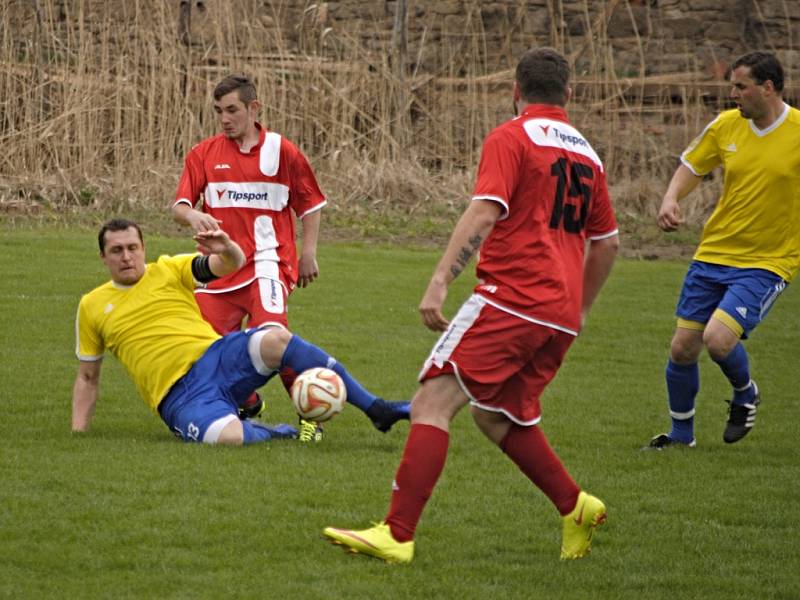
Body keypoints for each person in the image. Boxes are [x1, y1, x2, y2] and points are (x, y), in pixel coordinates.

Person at [322, 47, 620, 563]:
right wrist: (581, 310)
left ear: (514, 92)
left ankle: (397, 533)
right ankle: (574, 506)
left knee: (431, 403)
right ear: (569, 96)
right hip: (559, 315)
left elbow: (485, 212)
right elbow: (608, 243)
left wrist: (439, 280)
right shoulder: (590, 157)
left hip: (513, 300)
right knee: (496, 416)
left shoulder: (512, 137)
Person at [171, 74, 409, 433]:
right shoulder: (202, 153)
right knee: (208, 352)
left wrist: (309, 252)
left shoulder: (282, 151)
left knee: (275, 340)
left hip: (267, 263)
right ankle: (248, 402)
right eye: (218, 110)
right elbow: (180, 205)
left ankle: (311, 416)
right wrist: (193, 215)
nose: (224, 118)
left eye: (232, 110)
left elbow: (311, 204)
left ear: (254, 108)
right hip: (219, 271)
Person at [72, 218, 404, 445]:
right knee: (229, 438)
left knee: (275, 338)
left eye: (133, 247)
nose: (127, 257)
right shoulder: (92, 305)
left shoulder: (169, 269)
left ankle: (376, 409)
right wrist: (78, 435)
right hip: (178, 396)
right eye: (117, 251)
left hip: (216, 357)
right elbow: (88, 378)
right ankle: (277, 433)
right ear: (103, 257)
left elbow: (228, 265)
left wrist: (226, 247)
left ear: (144, 247)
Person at [646, 51, 800, 450]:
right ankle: (681, 437)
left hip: (767, 261)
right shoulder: (727, 125)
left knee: (718, 339)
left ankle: (745, 393)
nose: (733, 94)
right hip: (714, 253)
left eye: (740, 87)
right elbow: (693, 165)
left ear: (767, 88)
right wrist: (670, 198)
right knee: (682, 348)